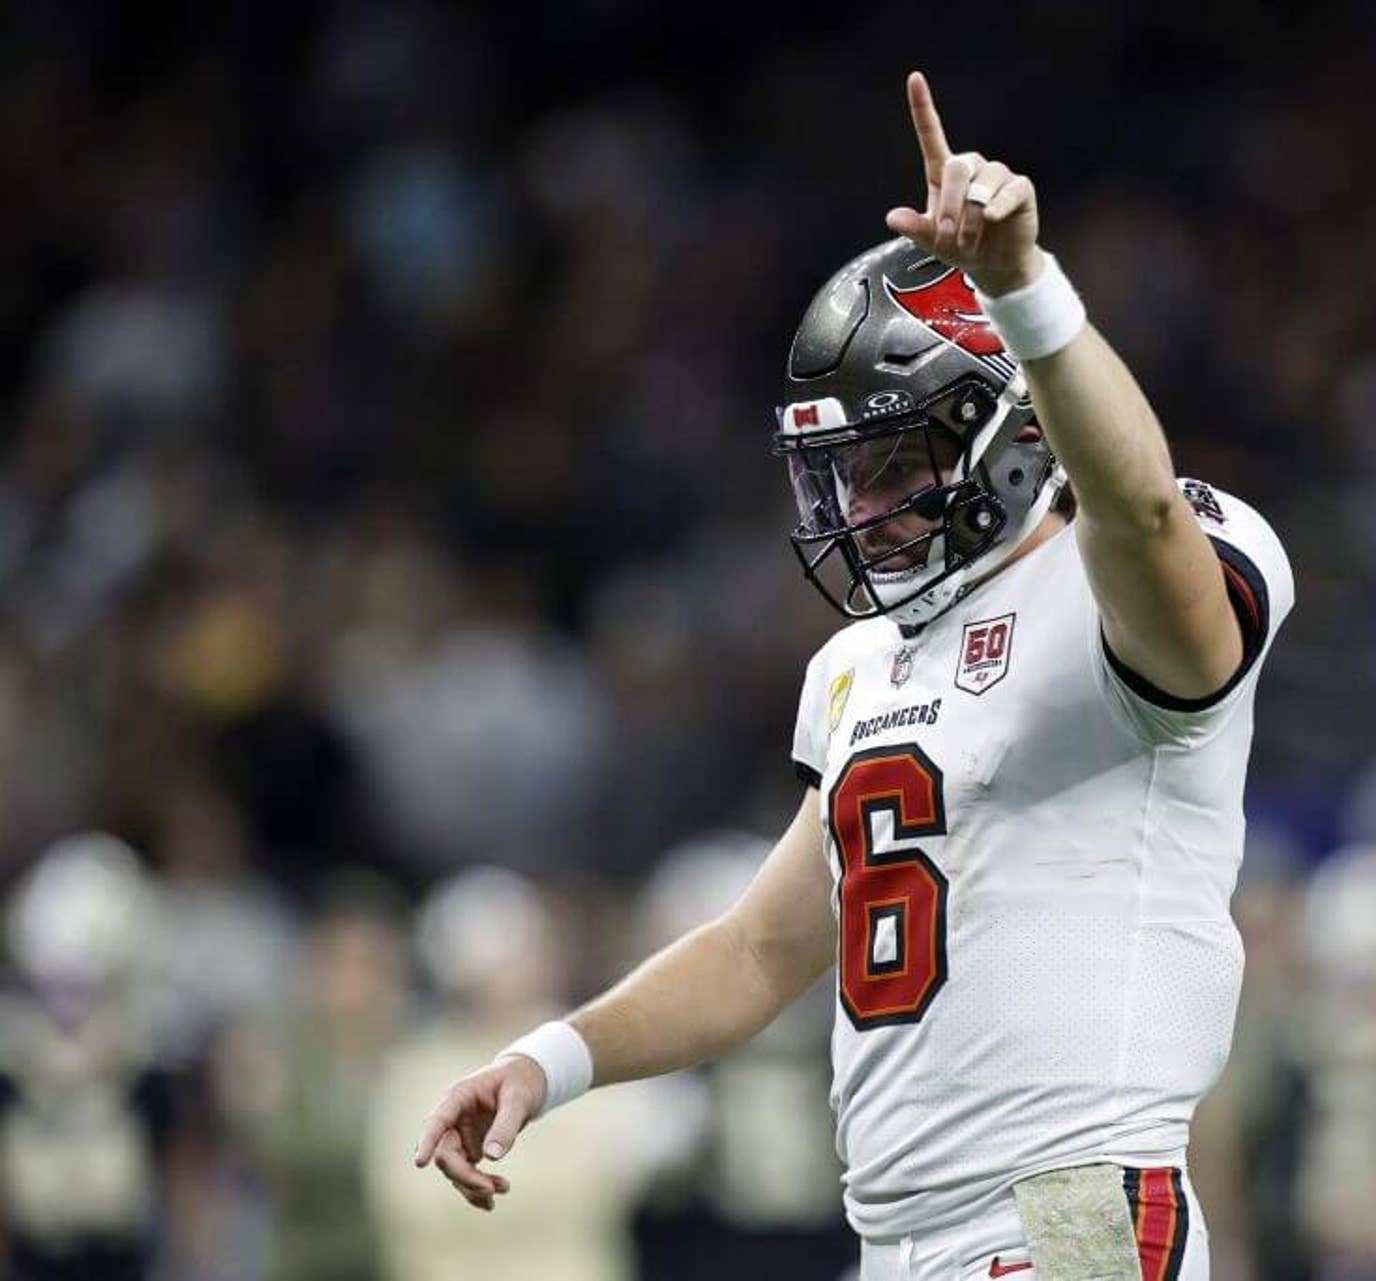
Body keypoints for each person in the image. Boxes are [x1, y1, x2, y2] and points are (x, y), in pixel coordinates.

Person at [414, 70, 1293, 1281]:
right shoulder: (860, 666)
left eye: (891, 463)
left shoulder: (1120, 579)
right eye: (839, 472)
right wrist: (547, 1061)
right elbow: (756, 953)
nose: (858, 509)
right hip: (896, 1238)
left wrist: (1023, 290)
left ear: (1012, 430)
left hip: (1070, 1218)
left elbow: (1139, 509)